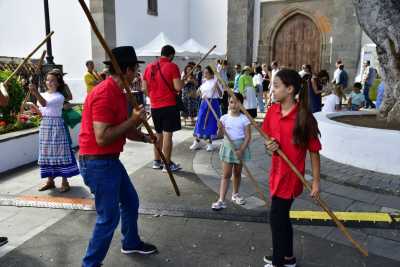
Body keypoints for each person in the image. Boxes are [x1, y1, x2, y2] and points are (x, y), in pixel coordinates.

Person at [79, 46, 157, 267]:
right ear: (128, 70)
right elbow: (102, 137)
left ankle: (130, 242)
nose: (137, 75)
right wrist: (133, 120)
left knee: (130, 201)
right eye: (135, 69)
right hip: (97, 162)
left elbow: (124, 130)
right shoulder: (103, 94)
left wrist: (144, 137)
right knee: (108, 218)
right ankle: (90, 264)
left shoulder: (121, 93)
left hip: (109, 160)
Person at [262, 69, 321, 267]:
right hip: (276, 174)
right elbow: (268, 144)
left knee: (276, 219)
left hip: (292, 178)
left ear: (290, 89)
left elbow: (314, 151)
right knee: (282, 218)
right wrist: (270, 148)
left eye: (276, 86)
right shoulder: (272, 112)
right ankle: (288, 257)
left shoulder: (304, 118)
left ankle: (279, 261)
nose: (273, 89)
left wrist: (316, 183)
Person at [28, 69, 80, 193]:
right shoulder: (43, 94)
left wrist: (35, 92)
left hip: (56, 125)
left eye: (52, 80)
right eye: (47, 80)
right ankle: (50, 181)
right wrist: (34, 108)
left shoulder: (59, 96)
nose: (49, 82)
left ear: (58, 83)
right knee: (47, 154)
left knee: (60, 153)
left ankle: (65, 182)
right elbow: (42, 111)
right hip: (45, 125)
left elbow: (44, 103)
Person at [142, 45, 183, 172]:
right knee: (167, 135)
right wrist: (183, 82)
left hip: (155, 106)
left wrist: (154, 97)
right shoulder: (172, 66)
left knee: (158, 134)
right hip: (168, 105)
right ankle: (167, 164)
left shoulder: (149, 67)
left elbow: (144, 89)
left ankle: (156, 161)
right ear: (171, 55)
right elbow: (177, 87)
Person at [212, 93, 251, 210]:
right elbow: (219, 135)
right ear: (228, 104)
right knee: (226, 175)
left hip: (240, 147)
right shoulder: (224, 118)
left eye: (236, 102)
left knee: (237, 173)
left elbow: (248, 136)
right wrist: (219, 128)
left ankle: (235, 194)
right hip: (228, 148)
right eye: (231, 102)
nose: (233, 105)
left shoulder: (244, 119)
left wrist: (241, 150)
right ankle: (221, 200)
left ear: (241, 104)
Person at [190, 66, 223, 152]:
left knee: (210, 123)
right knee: (200, 121)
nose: (204, 74)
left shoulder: (216, 81)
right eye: (204, 72)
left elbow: (220, 95)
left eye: (206, 73)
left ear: (212, 74)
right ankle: (197, 141)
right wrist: (195, 92)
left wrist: (218, 86)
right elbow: (197, 94)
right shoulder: (204, 82)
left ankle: (209, 143)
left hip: (213, 103)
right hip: (204, 104)